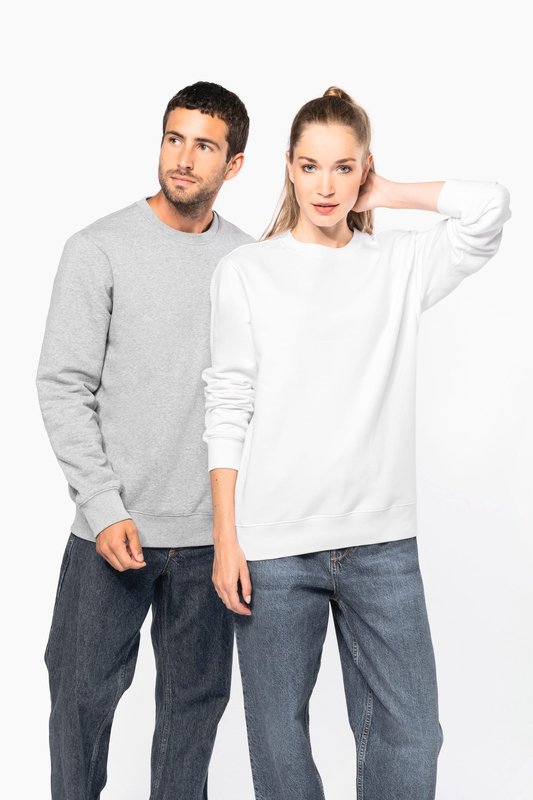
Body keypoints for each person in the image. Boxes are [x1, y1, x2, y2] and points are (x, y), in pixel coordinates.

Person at [201, 86, 512, 800]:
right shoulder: (246, 271)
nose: (325, 185)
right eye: (310, 166)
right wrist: (225, 537)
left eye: (344, 168)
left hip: (381, 546)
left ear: (363, 169)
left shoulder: (397, 265)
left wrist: (390, 193)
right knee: (278, 738)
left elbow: (489, 208)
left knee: (414, 732)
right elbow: (227, 405)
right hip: (273, 548)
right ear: (288, 167)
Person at [36, 81, 254, 800]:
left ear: (234, 164)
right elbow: (63, 385)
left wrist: (237, 525)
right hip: (110, 531)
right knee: (78, 703)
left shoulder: (249, 264)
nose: (183, 158)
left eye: (204, 146)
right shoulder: (98, 249)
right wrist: (103, 507)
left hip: (210, 539)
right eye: (173, 138)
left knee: (192, 717)